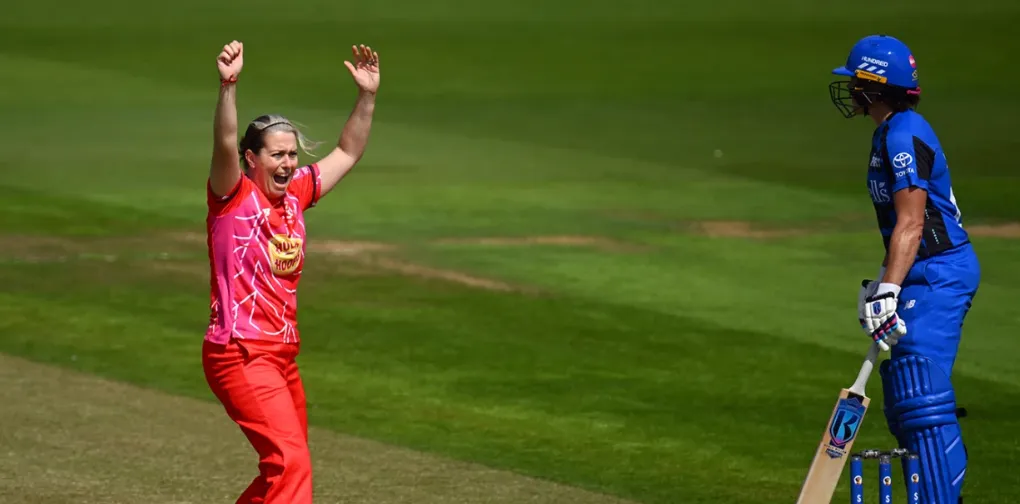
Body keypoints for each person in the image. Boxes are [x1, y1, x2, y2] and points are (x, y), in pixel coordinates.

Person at [201, 39, 380, 504]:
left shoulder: (298, 193)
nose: (287, 163)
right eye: (276, 155)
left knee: (283, 467)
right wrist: (228, 85)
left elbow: (348, 151)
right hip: (240, 353)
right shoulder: (232, 197)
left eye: (292, 154)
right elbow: (223, 140)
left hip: (280, 356)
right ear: (250, 159)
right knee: (290, 464)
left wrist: (367, 97)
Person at [830, 34, 979, 503]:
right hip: (920, 271)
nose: (850, 88)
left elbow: (913, 222)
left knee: (922, 398)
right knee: (905, 402)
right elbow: (901, 227)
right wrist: (882, 281)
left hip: (939, 273)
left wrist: (890, 291)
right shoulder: (889, 130)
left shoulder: (903, 134)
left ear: (875, 86)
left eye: (856, 80)